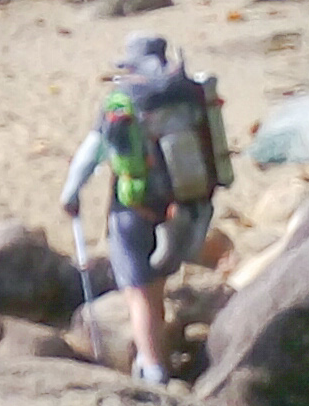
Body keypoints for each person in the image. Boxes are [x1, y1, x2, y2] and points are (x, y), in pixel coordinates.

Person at [57, 33, 228, 387]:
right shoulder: (189, 93)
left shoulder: (124, 100)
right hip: (184, 204)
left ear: (130, 64)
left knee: (139, 293)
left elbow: (91, 153)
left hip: (134, 208)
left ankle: (153, 370)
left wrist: (71, 193)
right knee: (155, 289)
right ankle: (160, 356)